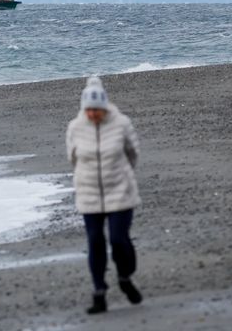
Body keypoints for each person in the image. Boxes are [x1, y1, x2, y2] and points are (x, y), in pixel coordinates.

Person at [65, 75, 143, 314]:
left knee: (119, 239)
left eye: (96, 111)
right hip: (89, 193)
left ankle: (125, 276)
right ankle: (99, 293)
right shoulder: (75, 127)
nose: (92, 115)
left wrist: (121, 174)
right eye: (88, 110)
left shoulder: (121, 123)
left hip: (119, 190)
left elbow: (133, 153)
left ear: (105, 108)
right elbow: (72, 158)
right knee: (95, 241)